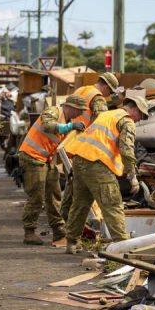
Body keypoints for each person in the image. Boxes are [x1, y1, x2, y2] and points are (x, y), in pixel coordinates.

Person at [63, 96, 148, 254]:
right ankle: (122, 245)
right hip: (96, 164)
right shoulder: (126, 121)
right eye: (140, 116)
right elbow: (126, 149)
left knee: (80, 203)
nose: (138, 120)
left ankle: (72, 242)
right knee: (112, 203)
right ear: (134, 109)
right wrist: (132, 175)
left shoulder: (107, 114)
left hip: (79, 160)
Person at [18, 94, 88, 245]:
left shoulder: (68, 122)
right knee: (36, 197)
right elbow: (47, 126)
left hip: (46, 160)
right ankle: (29, 232)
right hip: (32, 158)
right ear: (69, 107)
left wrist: (70, 169)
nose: (81, 114)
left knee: (54, 195)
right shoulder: (54, 111)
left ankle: (59, 231)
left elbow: (62, 149)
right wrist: (70, 127)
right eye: (79, 110)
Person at [59, 72, 119, 222]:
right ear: (105, 85)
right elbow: (103, 122)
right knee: (82, 186)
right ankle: (70, 222)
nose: (108, 95)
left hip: (71, 141)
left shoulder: (82, 90)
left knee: (72, 183)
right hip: (86, 147)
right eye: (110, 91)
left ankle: (63, 220)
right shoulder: (97, 98)